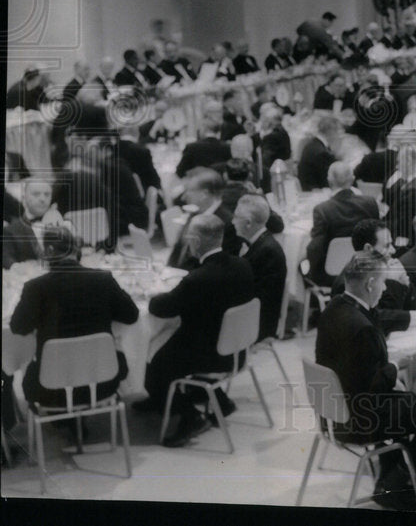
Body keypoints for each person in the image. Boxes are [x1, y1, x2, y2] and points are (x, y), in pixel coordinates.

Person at [314, 252, 416, 498]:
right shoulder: (362, 328)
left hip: (333, 414)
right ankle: (402, 479)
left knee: (410, 398)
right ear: (369, 284)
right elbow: (376, 387)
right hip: (360, 419)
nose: (385, 287)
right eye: (383, 281)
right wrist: (395, 367)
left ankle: (393, 465)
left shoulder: (334, 308)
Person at [138, 215, 255, 447]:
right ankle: (220, 400)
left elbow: (162, 308)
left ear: (195, 241)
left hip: (208, 355)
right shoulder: (243, 265)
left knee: (154, 363)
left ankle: (190, 416)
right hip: (237, 349)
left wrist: (150, 295)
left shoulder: (198, 279)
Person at [10, 225, 138, 408]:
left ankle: (62, 418)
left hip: (50, 387)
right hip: (103, 381)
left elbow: (17, 327)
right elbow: (132, 315)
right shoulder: (103, 279)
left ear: (50, 250)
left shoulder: (36, 288)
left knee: (29, 375)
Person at [305, 162, 380, 288]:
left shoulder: (322, 209)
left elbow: (315, 249)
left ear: (329, 181)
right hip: (366, 270)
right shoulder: (370, 203)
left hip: (332, 276)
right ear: (352, 179)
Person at [231, 194, 287, 342]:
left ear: (248, 223)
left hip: (259, 324)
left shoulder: (268, 251)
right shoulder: (261, 244)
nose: (232, 221)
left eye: (236, 217)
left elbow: (259, 297)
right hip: (255, 313)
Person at [167, 168, 233, 269]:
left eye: (187, 191)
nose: (183, 198)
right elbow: (178, 250)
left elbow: (216, 267)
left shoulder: (226, 223)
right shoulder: (194, 213)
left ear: (204, 194)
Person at [2, 179, 67, 268]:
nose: (42, 199)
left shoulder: (63, 223)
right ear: (24, 198)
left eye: (47, 194)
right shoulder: (10, 231)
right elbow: (7, 260)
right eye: (36, 194)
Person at [175, 102, 231, 178]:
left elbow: (180, 172)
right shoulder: (227, 147)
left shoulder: (192, 148)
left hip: (199, 186)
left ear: (203, 129)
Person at [297, 114, 342, 192]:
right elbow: (329, 181)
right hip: (315, 193)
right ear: (331, 132)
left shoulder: (311, 144)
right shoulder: (322, 153)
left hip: (309, 189)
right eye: (337, 131)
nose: (339, 135)